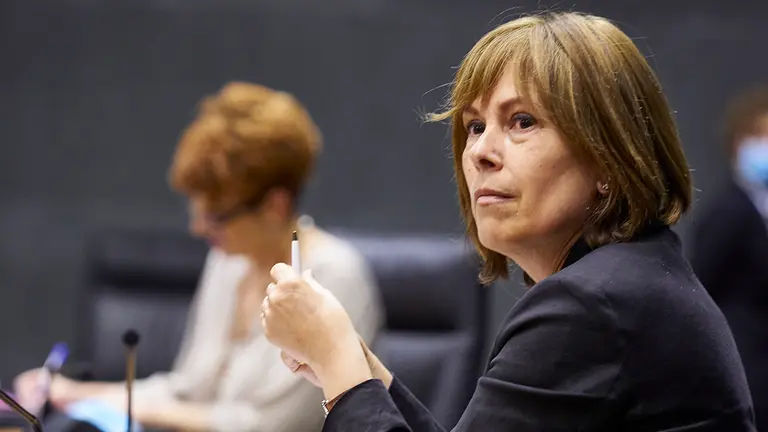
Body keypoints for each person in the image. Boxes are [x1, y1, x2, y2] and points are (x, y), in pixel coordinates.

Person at [258, 12, 757, 431]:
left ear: (608, 160)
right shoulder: (633, 280)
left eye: (522, 122)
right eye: (474, 126)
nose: (479, 152)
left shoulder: (591, 307)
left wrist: (336, 362)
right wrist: (358, 366)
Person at [14, 82, 383, 431]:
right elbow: (186, 391)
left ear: (275, 204)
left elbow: (271, 426)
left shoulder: (336, 277)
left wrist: (116, 403)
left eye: (217, 217)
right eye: (197, 212)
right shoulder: (227, 262)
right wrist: (73, 394)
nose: (199, 228)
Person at [689, 86, 768, 431]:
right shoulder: (727, 213)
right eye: (760, 135)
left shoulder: (759, 209)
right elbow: (701, 288)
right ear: (738, 142)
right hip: (743, 364)